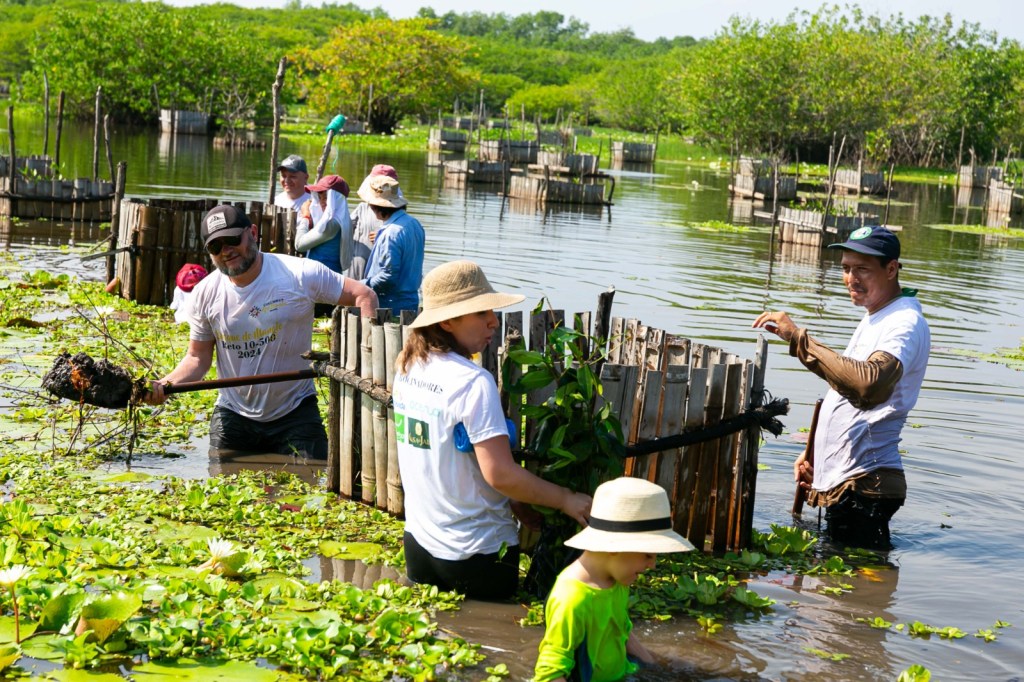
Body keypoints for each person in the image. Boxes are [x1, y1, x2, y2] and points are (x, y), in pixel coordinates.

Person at [393, 260, 592, 601]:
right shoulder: (473, 381)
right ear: (447, 321)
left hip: (420, 548)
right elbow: (499, 473)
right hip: (479, 555)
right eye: (481, 312)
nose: (493, 321)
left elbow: (456, 455)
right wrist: (565, 499)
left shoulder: (408, 366)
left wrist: (516, 499)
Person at [145, 205, 378, 460]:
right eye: (216, 246)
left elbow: (363, 295)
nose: (226, 251)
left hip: (295, 412)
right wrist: (164, 384)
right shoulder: (204, 293)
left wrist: (365, 361)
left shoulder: (300, 274)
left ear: (253, 233)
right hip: (233, 415)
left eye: (233, 240)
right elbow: (197, 358)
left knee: (311, 480)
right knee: (222, 483)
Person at [752, 225, 930, 549]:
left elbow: (867, 385)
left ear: (891, 269)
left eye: (862, 269)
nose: (851, 278)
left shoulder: (904, 322)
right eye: (846, 268)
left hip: (866, 485)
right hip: (851, 482)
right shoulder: (877, 315)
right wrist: (818, 457)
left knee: (859, 576)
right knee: (844, 577)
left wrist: (799, 340)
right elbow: (849, 394)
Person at [533, 477, 694, 682]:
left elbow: (622, 630)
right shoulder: (571, 599)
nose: (652, 565)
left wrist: (654, 668)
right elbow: (550, 674)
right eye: (647, 555)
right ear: (614, 546)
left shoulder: (616, 580)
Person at [358, 175, 424, 315]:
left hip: (390, 306)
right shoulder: (415, 224)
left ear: (376, 206)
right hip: (411, 302)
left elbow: (388, 276)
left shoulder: (391, 233)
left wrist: (361, 285)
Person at [295, 174, 354, 316]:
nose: (322, 202)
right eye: (320, 197)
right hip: (326, 281)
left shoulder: (331, 225)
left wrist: (305, 216)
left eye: (326, 197)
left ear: (336, 198)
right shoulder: (342, 218)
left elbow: (299, 244)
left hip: (324, 284)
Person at [348, 164, 401, 280]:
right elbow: (345, 231)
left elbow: (399, 241)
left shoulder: (397, 214)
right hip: (358, 266)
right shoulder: (362, 208)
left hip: (380, 270)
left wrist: (383, 237)